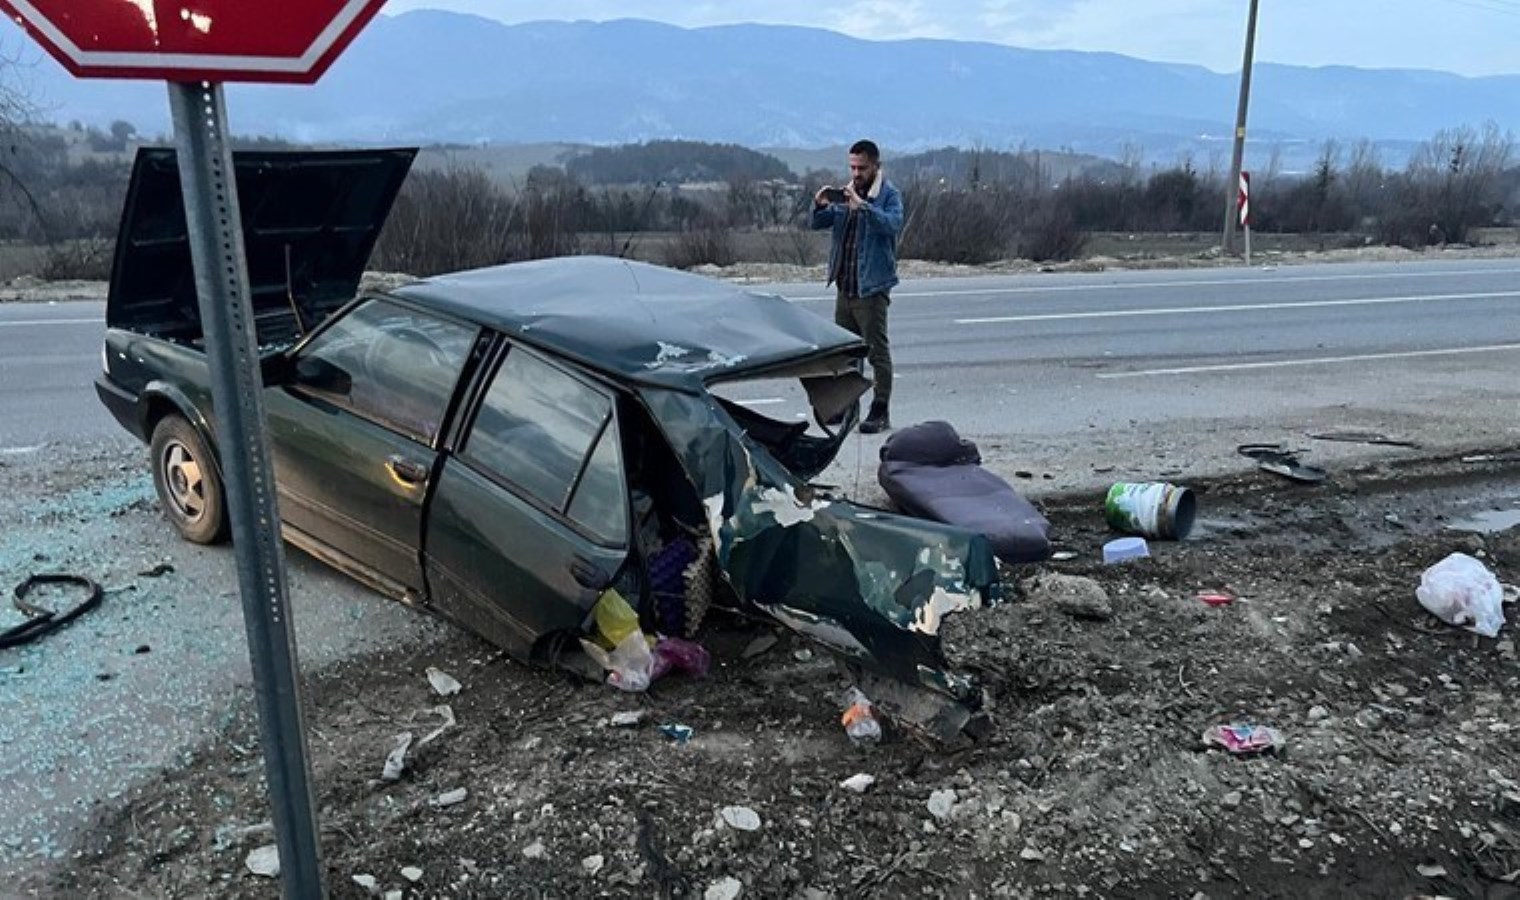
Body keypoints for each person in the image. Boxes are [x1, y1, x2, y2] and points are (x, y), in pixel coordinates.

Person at [812, 139, 904, 434]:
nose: (856, 173)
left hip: (871, 287)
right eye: (852, 166)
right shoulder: (847, 193)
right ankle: (847, 408)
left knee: (876, 351)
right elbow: (819, 223)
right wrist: (820, 205)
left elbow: (892, 225)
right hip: (845, 285)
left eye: (861, 167)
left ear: (876, 165)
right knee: (845, 353)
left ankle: (880, 410)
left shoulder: (888, 195)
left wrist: (863, 208)